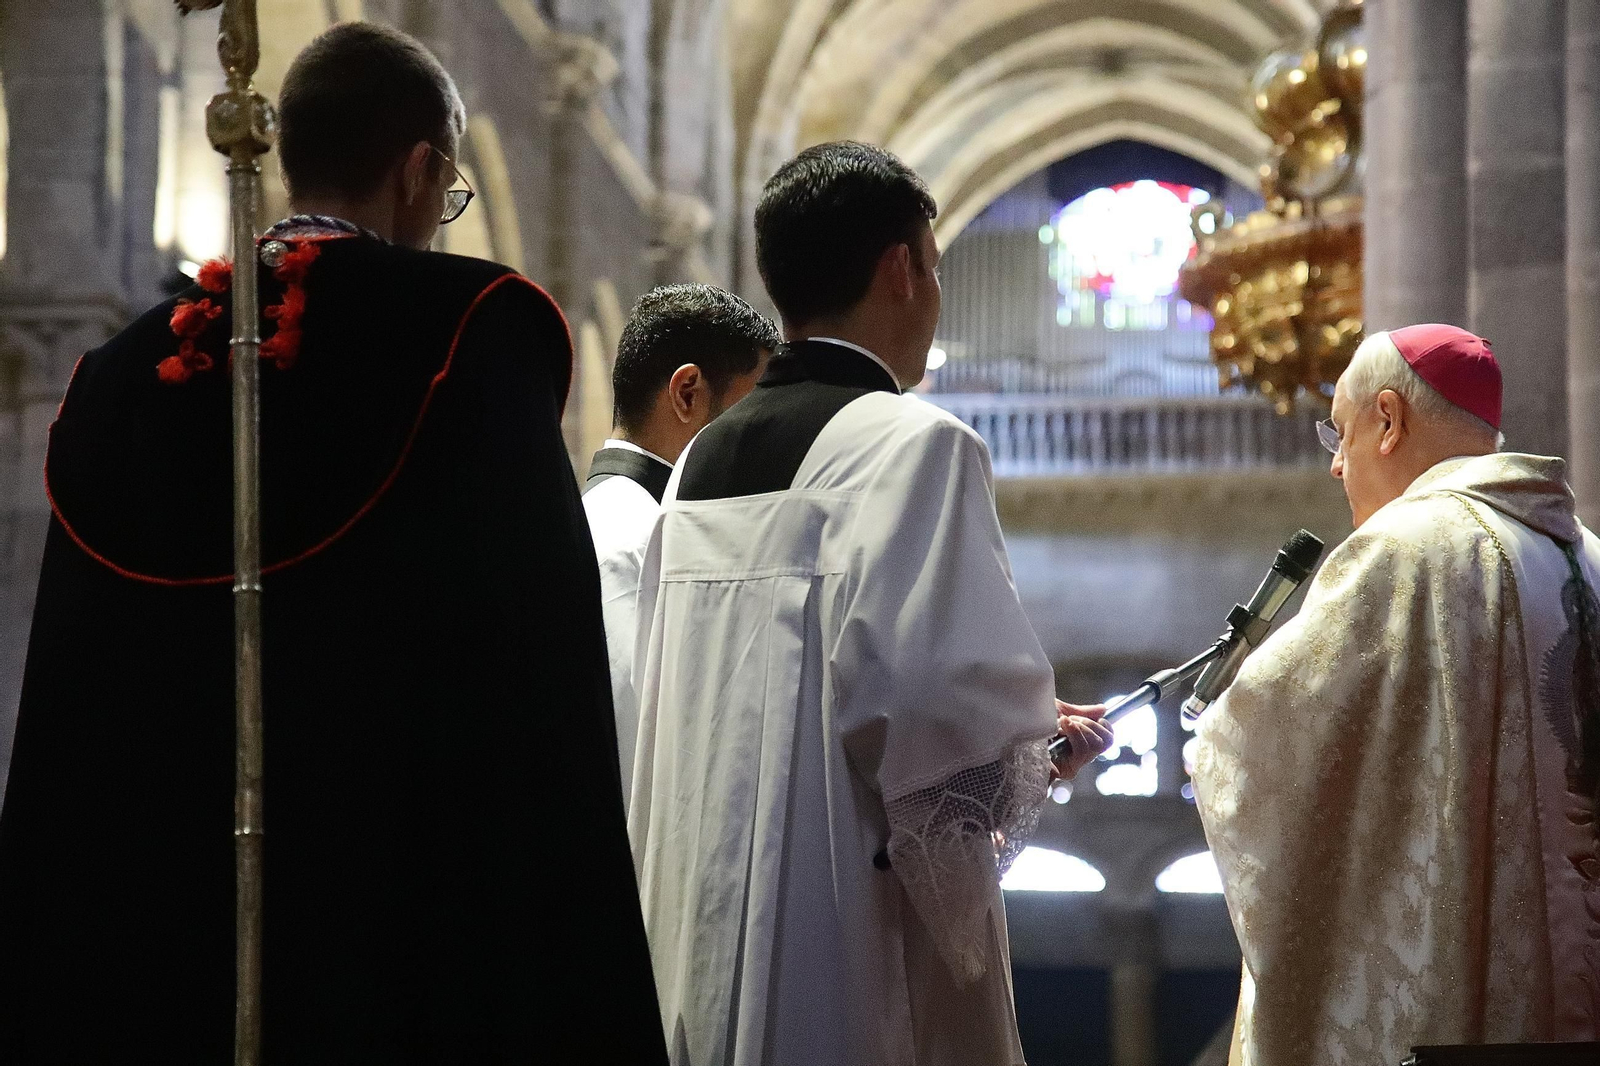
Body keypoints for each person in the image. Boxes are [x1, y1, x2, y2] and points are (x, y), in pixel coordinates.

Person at [0, 23, 667, 1064]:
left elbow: (69, 705)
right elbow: (539, 681)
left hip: (152, 940)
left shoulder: (122, 378)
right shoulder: (470, 333)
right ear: (420, 171)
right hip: (392, 930)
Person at [628, 140, 1114, 1066]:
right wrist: (1036, 754)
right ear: (901, 269)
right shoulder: (916, 446)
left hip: (695, 930)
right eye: (935, 266)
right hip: (838, 938)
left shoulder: (695, 463)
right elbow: (935, 722)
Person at [1192, 324, 1600, 1065]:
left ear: (1389, 418)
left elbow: (1265, 747)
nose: (1335, 465)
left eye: (1339, 433)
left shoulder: (1408, 549)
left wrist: (1207, 736)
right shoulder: (1588, 558)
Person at [583, 284, 778, 799]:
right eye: (750, 416)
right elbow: (637, 776)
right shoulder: (637, 542)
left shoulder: (614, 520)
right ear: (687, 393)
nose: (758, 442)